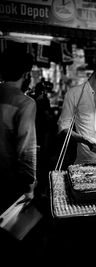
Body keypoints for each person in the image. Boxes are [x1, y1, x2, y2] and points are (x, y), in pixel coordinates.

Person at [0, 48, 37, 215]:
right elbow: (27, 150)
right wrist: (30, 186)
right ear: (26, 74)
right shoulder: (25, 103)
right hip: (9, 181)